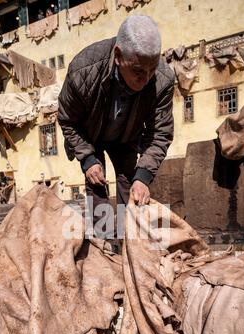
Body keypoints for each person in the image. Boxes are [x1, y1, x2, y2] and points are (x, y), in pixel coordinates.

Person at [58, 15, 174, 229]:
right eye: (138, 71)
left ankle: (129, 244)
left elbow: (160, 133)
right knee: (97, 186)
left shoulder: (163, 79)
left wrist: (144, 176)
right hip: (90, 135)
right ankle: (104, 246)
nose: (146, 78)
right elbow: (67, 120)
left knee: (131, 185)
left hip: (127, 136)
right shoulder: (83, 71)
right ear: (119, 56)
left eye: (152, 69)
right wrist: (87, 159)